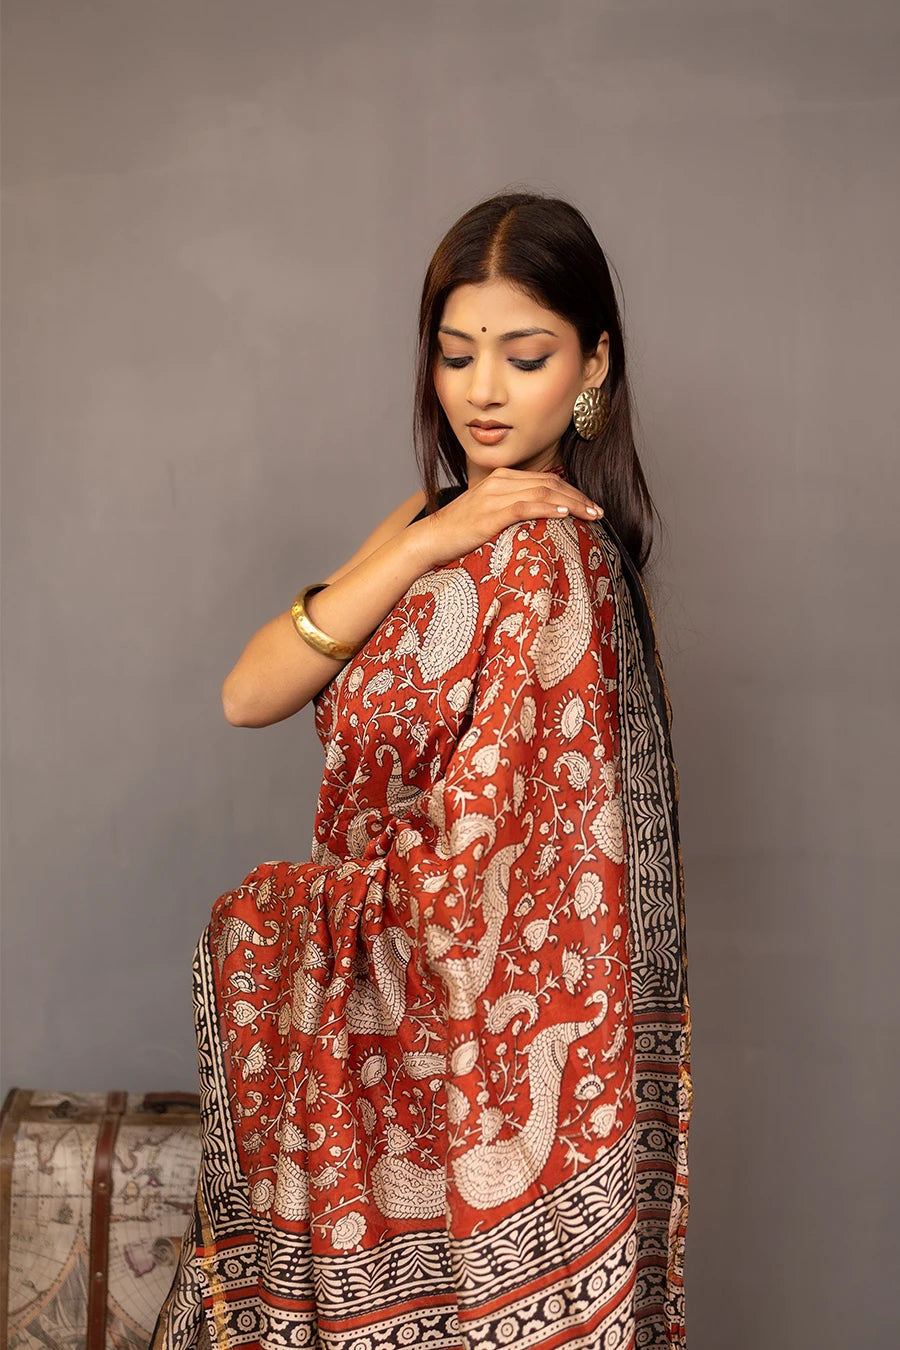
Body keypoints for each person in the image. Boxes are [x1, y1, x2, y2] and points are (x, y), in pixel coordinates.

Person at [151, 190, 692, 1350]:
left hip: (454, 1081)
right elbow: (247, 694)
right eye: (457, 355)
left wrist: (295, 914)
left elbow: (498, 896)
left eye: (526, 354)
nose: (484, 390)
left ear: (592, 366)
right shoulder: (429, 525)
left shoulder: (561, 569)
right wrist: (432, 536)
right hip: (363, 1067)